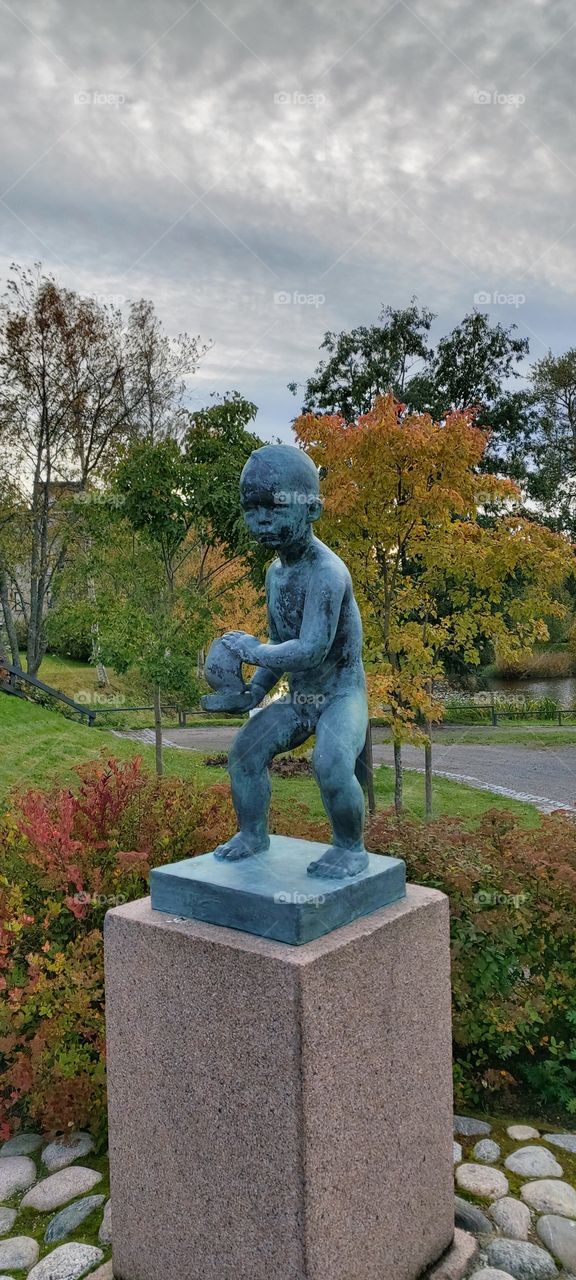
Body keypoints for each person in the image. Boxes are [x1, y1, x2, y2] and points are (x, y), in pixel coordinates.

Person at [212, 443, 369, 879]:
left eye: (275, 507)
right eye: (251, 508)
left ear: (312, 509)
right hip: (302, 698)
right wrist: (255, 690)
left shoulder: (328, 572)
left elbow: (311, 649)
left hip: (341, 696)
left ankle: (351, 848)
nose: (261, 519)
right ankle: (252, 835)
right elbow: (282, 643)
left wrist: (252, 651)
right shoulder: (275, 574)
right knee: (245, 753)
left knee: (331, 763)